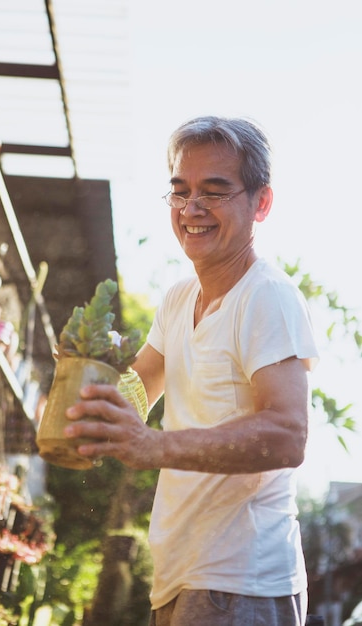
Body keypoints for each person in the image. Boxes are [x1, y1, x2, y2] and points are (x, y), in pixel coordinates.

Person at [64, 115, 319, 626]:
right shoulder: (181, 298)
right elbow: (136, 390)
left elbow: (288, 435)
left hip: (239, 580)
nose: (192, 209)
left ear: (261, 203)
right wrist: (87, 373)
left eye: (214, 192)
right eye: (180, 192)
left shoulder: (266, 296)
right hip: (182, 573)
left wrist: (153, 446)